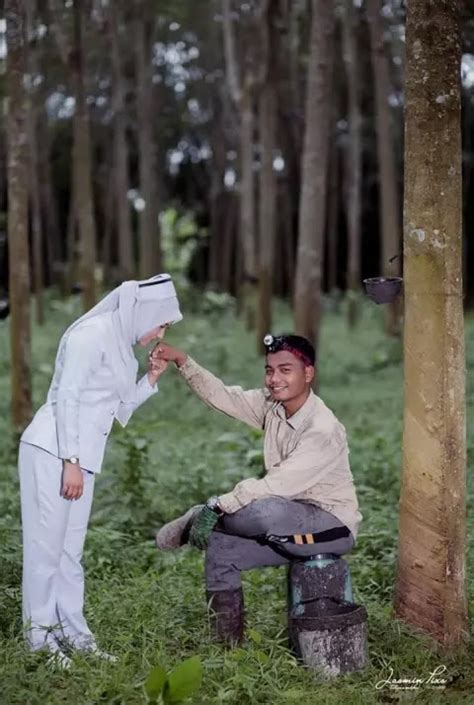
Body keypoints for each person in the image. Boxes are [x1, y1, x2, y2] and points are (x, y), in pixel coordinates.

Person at [152, 334, 362, 645]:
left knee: (263, 509)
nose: (274, 379)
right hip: (289, 522)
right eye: (269, 370)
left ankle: (201, 515)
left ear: (308, 373)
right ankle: (228, 650)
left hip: (330, 526)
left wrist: (219, 505)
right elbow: (225, 397)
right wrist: (183, 361)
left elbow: (280, 484)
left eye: (285, 370)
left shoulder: (322, 429)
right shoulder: (273, 407)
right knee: (222, 551)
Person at [19, 274, 182, 666]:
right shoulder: (91, 335)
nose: (161, 333)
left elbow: (117, 410)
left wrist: (151, 378)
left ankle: (75, 635)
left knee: (69, 554)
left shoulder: (121, 345)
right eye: (161, 323)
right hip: (52, 452)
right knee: (46, 550)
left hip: (82, 459)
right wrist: (70, 462)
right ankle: (39, 642)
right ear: (146, 312)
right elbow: (69, 398)